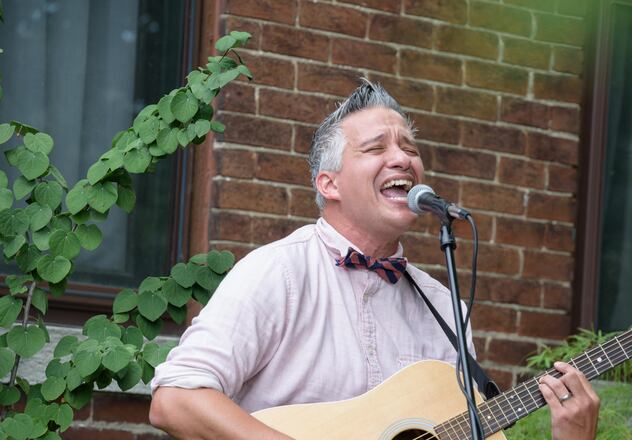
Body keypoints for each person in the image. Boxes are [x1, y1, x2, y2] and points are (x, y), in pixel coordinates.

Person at [149, 81, 599, 439]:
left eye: (409, 148)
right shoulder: (278, 272)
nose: (402, 158)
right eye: (376, 148)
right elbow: (175, 399)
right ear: (329, 184)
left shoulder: (444, 308)